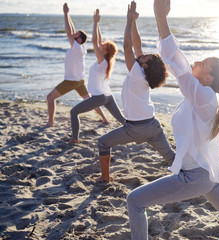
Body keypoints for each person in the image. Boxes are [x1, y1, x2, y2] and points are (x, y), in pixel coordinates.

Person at [125, 1, 219, 240]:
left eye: (204, 63)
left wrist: (161, 17)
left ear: (208, 78)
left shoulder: (204, 96)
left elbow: (174, 59)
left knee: (134, 200)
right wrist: (161, 18)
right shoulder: (200, 92)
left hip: (195, 177)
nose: (196, 62)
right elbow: (179, 64)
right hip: (208, 175)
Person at [95, 1, 175, 183]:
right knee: (171, 157)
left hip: (135, 129)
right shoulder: (144, 74)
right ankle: (191, 174)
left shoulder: (137, 72)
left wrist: (128, 21)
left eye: (145, 57)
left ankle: (105, 177)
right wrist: (134, 21)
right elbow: (136, 46)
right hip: (153, 127)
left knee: (103, 143)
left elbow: (127, 46)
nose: (142, 55)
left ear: (145, 65)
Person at [46, 3, 109, 127]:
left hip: (71, 81)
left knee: (50, 98)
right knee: (91, 101)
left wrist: (65, 14)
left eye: (76, 34)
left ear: (79, 40)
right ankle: (105, 119)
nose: (73, 34)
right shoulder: (79, 47)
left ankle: (50, 122)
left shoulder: (76, 48)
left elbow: (69, 32)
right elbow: (72, 31)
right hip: (80, 81)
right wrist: (68, 14)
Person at [69, 9, 125, 144]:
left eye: (104, 46)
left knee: (73, 112)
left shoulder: (102, 61)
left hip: (99, 97)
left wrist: (95, 23)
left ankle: (75, 139)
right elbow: (98, 41)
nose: (101, 45)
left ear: (106, 52)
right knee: (123, 120)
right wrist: (98, 24)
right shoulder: (107, 61)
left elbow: (94, 42)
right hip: (108, 96)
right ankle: (139, 133)